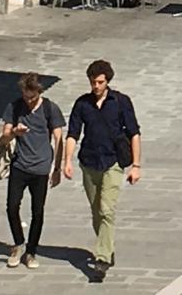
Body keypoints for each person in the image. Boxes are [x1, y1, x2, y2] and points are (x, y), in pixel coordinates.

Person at [63, 60, 141, 280]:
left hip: (113, 163)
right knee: (96, 211)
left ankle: (102, 258)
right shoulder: (82, 104)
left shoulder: (121, 102)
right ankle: (107, 245)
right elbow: (73, 134)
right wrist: (66, 161)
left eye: (99, 82)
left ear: (107, 81)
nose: (95, 86)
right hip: (89, 162)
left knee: (107, 209)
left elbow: (134, 133)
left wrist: (136, 165)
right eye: (92, 82)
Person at [0, 73, 64, 270]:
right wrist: (14, 133)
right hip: (20, 165)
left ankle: (31, 251)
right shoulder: (15, 106)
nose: (28, 101)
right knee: (11, 207)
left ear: (39, 93)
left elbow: (59, 138)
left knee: (38, 211)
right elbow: (3, 138)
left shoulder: (49, 108)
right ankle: (19, 244)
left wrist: (57, 168)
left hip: (41, 168)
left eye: (32, 97)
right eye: (26, 96)